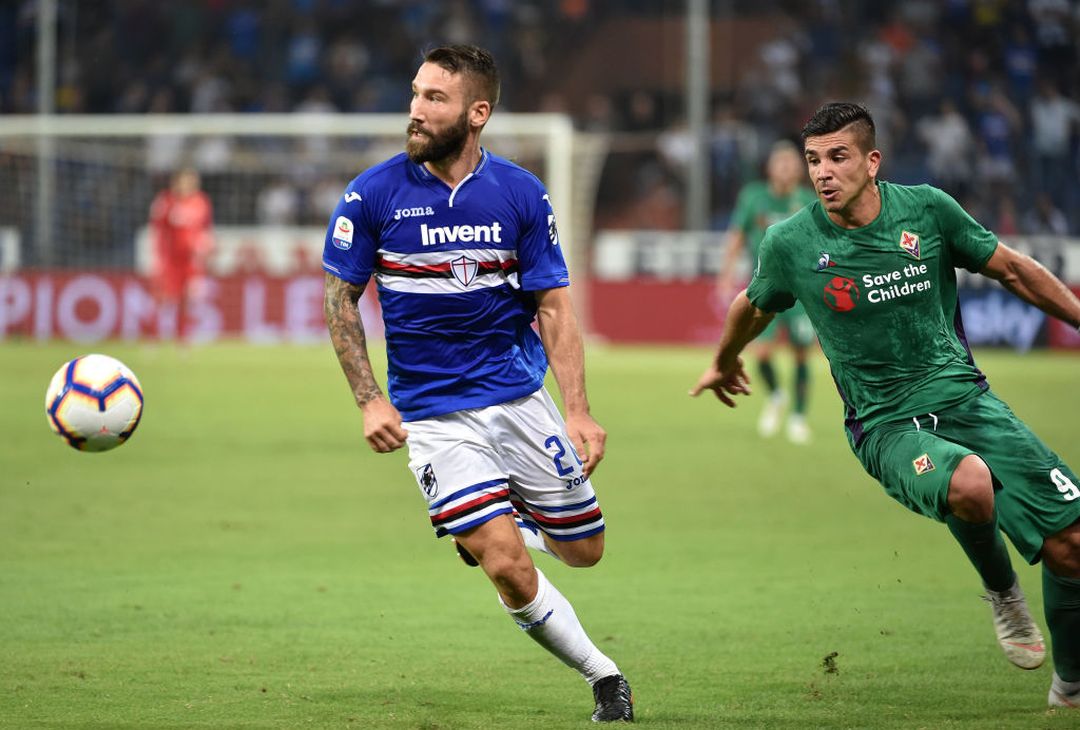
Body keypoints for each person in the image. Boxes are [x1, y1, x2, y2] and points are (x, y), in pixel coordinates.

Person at [691, 102, 1080, 709]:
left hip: (968, 401)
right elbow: (753, 303)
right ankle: (1004, 592)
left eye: (838, 157)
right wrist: (725, 358)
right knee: (970, 483)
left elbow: (1011, 269)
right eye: (814, 160)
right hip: (886, 427)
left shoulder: (927, 209)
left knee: (1070, 543)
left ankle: (1071, 688)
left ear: (872, 162)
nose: (823, 172)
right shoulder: (791, 242)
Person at [321, 45, 633, 723]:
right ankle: (604, 676)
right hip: (434, 417)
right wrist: (370, 400)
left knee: (585, 551)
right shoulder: (373, 194)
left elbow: (554, 307)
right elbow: (339, 299)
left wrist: (579, 411)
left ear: (477, 113)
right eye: (415, 93)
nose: (416, 109)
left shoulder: (520, 193)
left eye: (435, 98)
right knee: (506, 565)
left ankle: (504, 516)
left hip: (519, 400)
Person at [716, 140, 818, 443]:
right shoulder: (753, 197)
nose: (785, 168)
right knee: (760, 351)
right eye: (780, 163)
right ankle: (776, 395)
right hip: (764, 288)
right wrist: (726, 274)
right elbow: (737, 235)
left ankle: (798, 417)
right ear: (770, 168)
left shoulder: (808, 200)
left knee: (802, 354)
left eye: (791, 163)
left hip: (800, 292)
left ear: (799, 169)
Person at [148, 167, 214, 342]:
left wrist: (206, 246)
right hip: (170, 259)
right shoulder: (166, 201)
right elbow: (158, 230)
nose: (189, 185)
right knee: (163, 299)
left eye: (192, 181)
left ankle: (182, 338)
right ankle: (152, 336)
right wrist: (158, 257)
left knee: (187, 299)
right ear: (176, 182)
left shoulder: (201, 202)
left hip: (191, 261)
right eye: (185, 181)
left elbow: (205, 229)